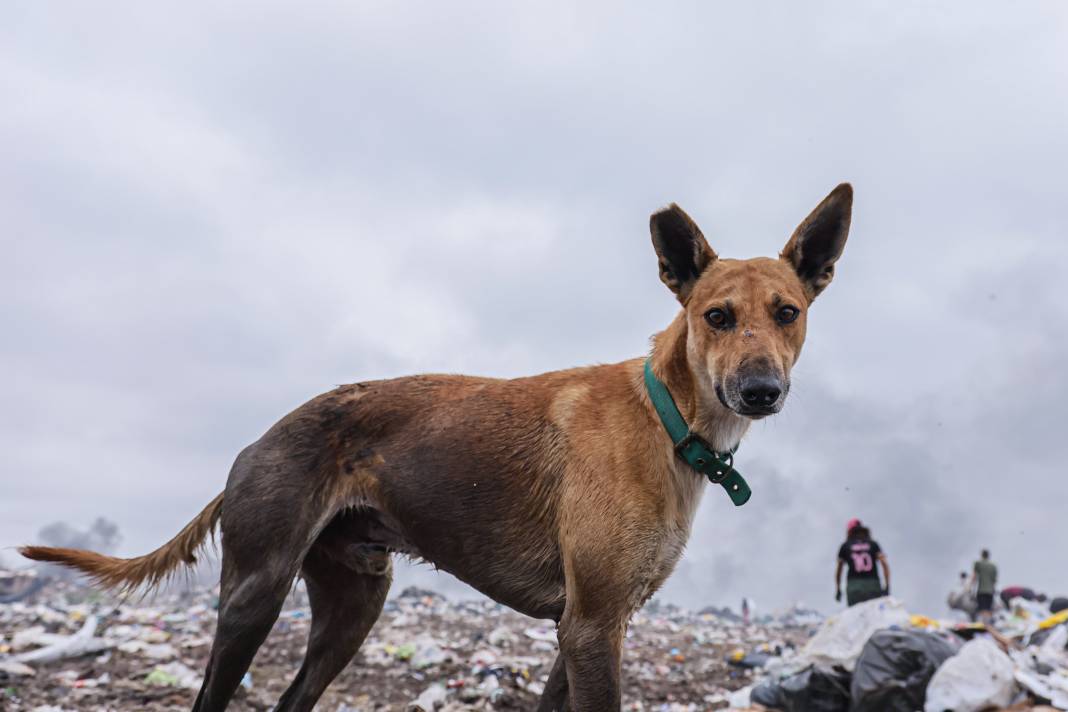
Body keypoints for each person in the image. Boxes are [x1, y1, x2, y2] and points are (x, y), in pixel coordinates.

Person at [835, 519, 890, 606]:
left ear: (849, 532)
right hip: (873, 585)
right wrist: (887, 586)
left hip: (854, 586)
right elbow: (884, 563)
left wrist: (838, 589)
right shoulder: (873, 544)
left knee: (856, 616)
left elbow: (839, 570)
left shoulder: (845, 545)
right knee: (876, 616)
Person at [970, 549, 998, 623]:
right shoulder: (993, 566)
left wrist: (969, 587)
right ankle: (988, 625)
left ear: (982, 555)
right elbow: (994, 580)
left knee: (982, 609)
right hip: (990, 591)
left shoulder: (978, 563)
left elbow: (974, 576)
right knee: (988, 609)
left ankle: (983, 624)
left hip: (981, 590)